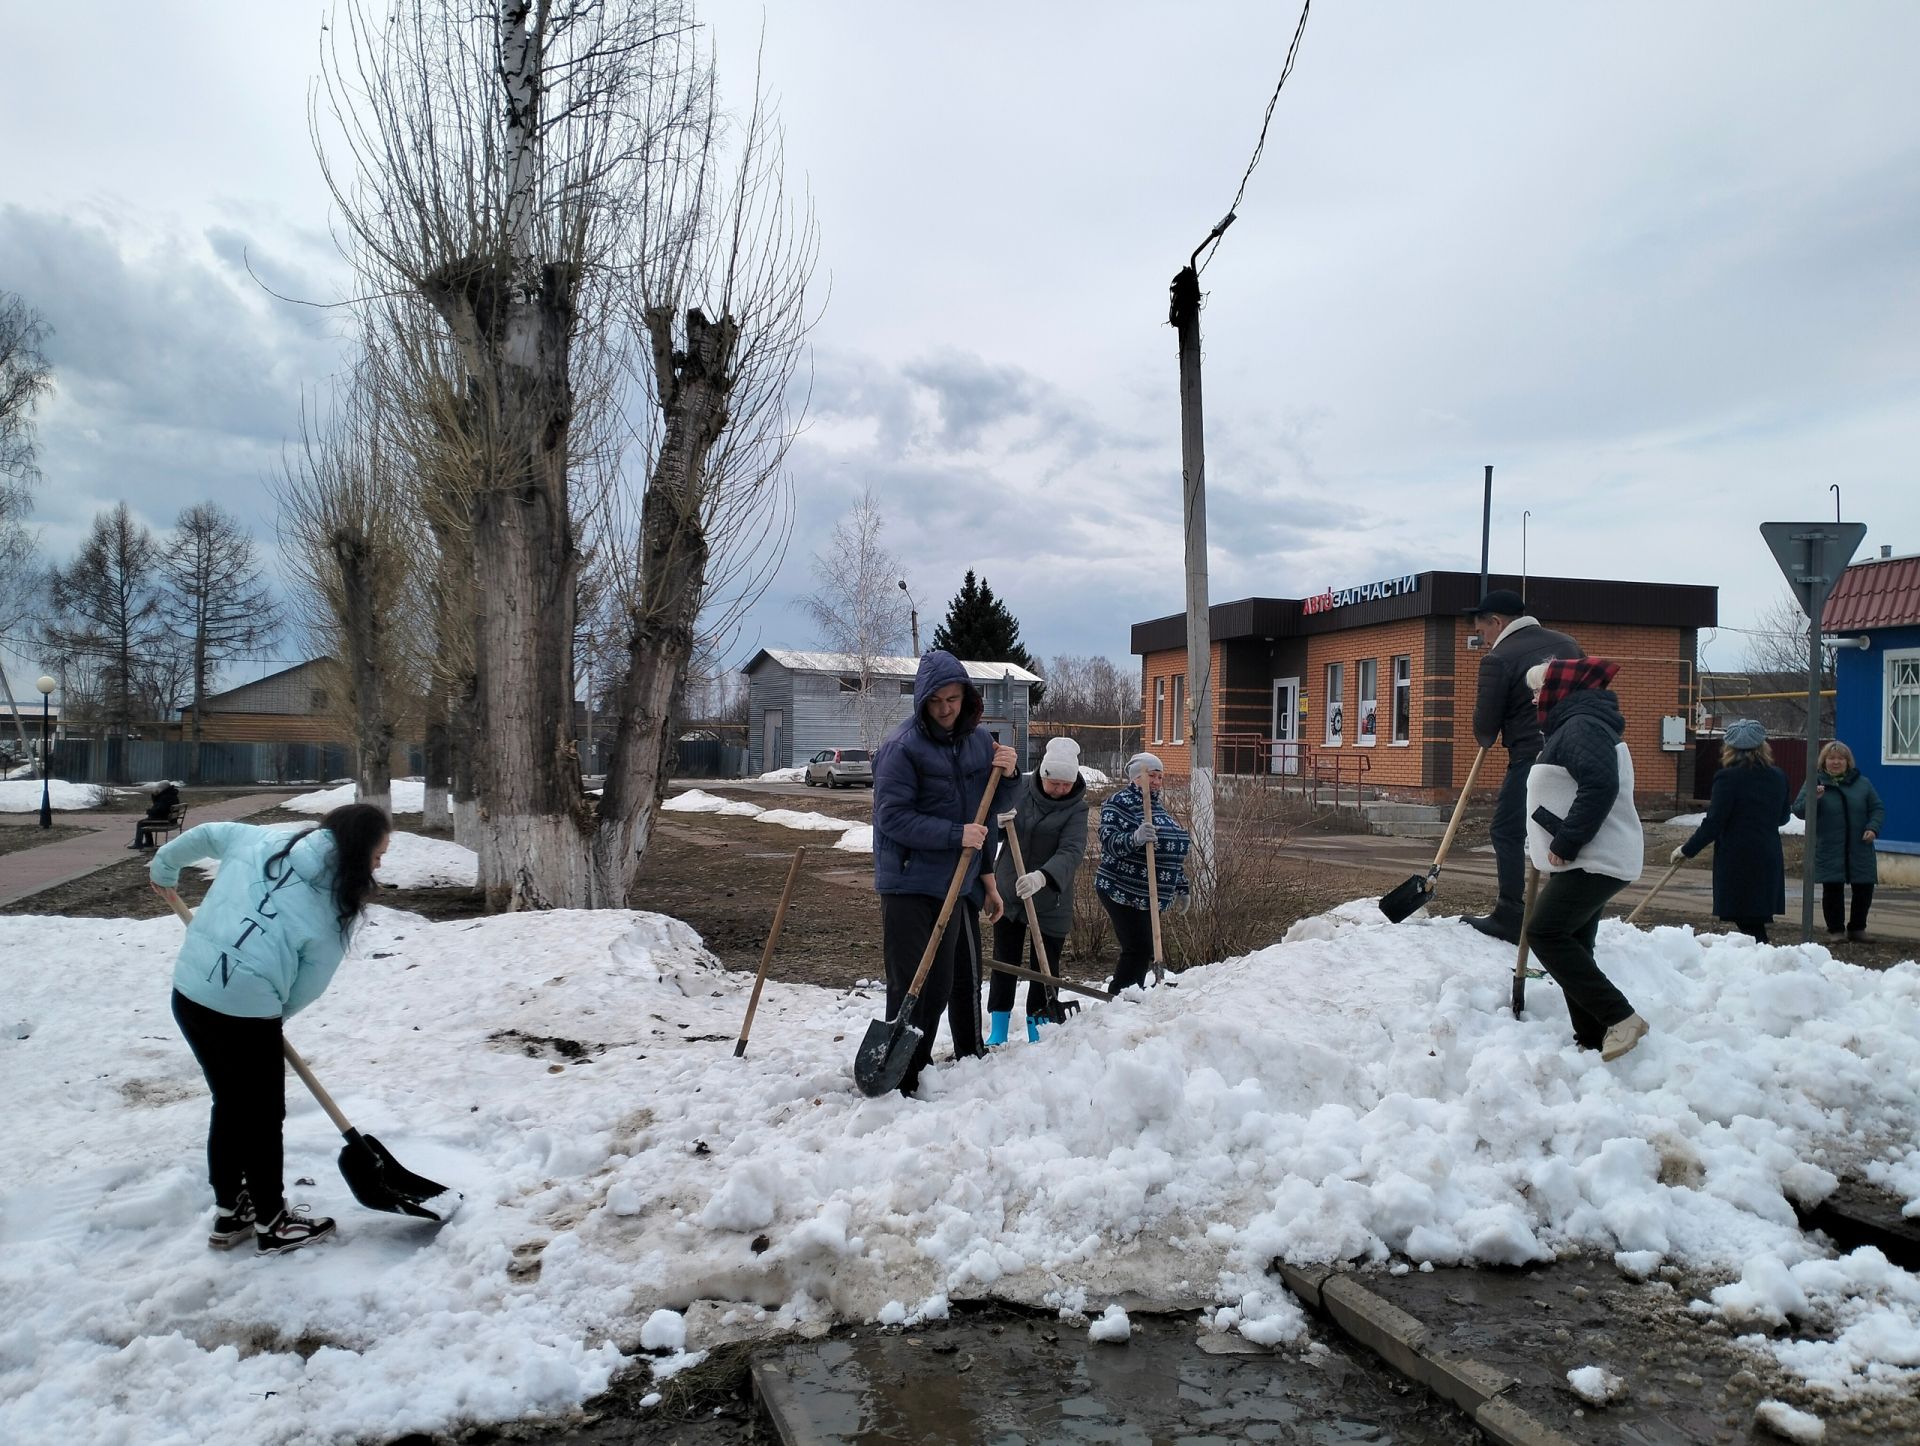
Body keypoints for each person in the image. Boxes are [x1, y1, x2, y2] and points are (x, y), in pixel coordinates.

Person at [151, 804, 392, 1254]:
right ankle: (272, 1221)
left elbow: (204, 835)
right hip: (246, 1010)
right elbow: (309, 984)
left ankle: (232, 1211)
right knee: (262, 1117)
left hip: (189, 993)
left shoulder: (261, 840)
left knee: (230, 1102)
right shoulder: (335, 907)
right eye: (378, 855)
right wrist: (270, 1016)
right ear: (358, 853)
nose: (379, 864)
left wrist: (163, 868)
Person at [871, 650, 1018, 1096]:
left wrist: (1010, 775)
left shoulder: (978, 741)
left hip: (956, 882)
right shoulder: (901, 749)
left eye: (953, 699)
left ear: (966, 697)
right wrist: (956, 834)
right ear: (922, 700)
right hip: (909, 882)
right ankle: (900, 1074)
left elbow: (990, 810)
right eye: (936, 701)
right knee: (913, 983)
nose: (945, 709)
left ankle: (916, 1069)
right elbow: (891, 818)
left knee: (939, 987)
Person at [1522, 657, 1649, 1061]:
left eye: (1538, 691)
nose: (1534, 700)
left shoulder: (1580, 726)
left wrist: (1567, 840)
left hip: (1595, 857)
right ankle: (1592, 1037)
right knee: (1574, 941)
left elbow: (1599, 785)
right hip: (1586, 857)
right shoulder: (1576, 724)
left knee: (1545, 932)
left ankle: (1621, 1018)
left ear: (1559, 688)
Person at [1463, 589, 1582, 944]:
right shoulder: (1569, 645)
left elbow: (1485, 728)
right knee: (1564, 832)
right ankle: (1564, 916)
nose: (1483, 641)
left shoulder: (1499, 659)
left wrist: (1490, 730)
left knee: (1507, 830)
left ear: (1497, 622)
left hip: (1532, 756)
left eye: (1483, 632)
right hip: (1579, 754)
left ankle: (1510, 914)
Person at [987, 736, 1090, 1045]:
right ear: (1043, 775)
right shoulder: (1019, 792)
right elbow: (989, 827)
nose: (1059, 789)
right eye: (1054, 783)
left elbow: (1072, 851)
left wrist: (1043, 877)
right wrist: (998, 823)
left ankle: (1038, 1028)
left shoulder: (1078, 809)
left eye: (1065, 784)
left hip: (1050, 898)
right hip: (1010, 889)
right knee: (1005, 959)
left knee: (1044, 966)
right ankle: (998, 1029)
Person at [1673, 718, 1790, 942]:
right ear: (1763, 746)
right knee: (1754, 918)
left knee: (1748, 921)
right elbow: (1784, 817)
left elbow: (1715, 822)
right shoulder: (1778, 776)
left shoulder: (1727, 777)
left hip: (1739, 857)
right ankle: (1761, 961)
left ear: (1729, 748)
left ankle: (1763, 964)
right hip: (1768, 854)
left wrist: (1687, 850)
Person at [1095, 752, 1190, 992]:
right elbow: (1109, 842)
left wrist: (1181, 885)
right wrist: (1134, 838)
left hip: (1148, 892)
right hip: (1120, 888)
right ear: (1137, 777)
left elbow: (1166, 854)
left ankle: (1131, 993)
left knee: (1144, 946)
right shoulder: (1118, 803)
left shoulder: (1158, 808)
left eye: (1160, 777)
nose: (1157, 782)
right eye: (1152, 776)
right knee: (1139, 946)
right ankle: (1122, 995)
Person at [1792, 741, 1885, 942]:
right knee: (1832, 889)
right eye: (1831, 758)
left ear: (1847, 762)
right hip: (1829, 846)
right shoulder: (1815, 782)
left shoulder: (1862, 784)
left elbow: (1877, 808)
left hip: (1859, 846)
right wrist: (1813, 798)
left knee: (1864, 888)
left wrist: (1872, 828)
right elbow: (1798, 810)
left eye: (1840, 759)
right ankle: (1836, 930)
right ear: (1824, 762)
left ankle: (1857, 928)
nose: (1836, 762)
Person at [130, 780, 183, 849]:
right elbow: (159, 805)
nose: (158, 789)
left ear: (163, 788)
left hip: (164, 820)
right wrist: (155, 796)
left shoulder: (165, 797)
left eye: (159, 788)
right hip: (171, 819)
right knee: (146, 821)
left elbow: (158, 810)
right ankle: (149, 843)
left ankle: (138, 844)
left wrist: (149, 812)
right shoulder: (171, 794)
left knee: (141, 823)